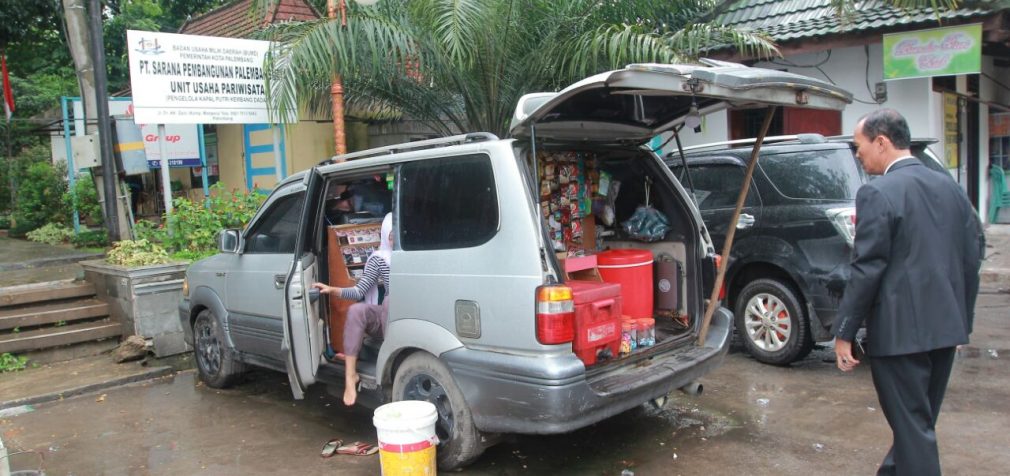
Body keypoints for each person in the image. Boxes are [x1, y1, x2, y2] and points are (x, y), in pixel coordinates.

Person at [832, 109, 984, 476]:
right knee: (917, 424)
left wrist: (844, 332)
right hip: (945, 330)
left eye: (859, 146)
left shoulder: (877, 192)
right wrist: (961, 320)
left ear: (881, 142)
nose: (857, 154)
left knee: (913, 429)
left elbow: (867, 268)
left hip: (900, 336)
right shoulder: (950, 188)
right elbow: (972, 256)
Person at [313, 212, 393, 406]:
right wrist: (332, 289)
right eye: (391, 235)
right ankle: (350, 376)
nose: (395, 239)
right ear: (385, 235)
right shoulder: (379, 259)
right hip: (389, 319)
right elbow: (359, 292)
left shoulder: (416, 257)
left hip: (415, 318)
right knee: (360, 310)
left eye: (399, 235)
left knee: (391, 300)